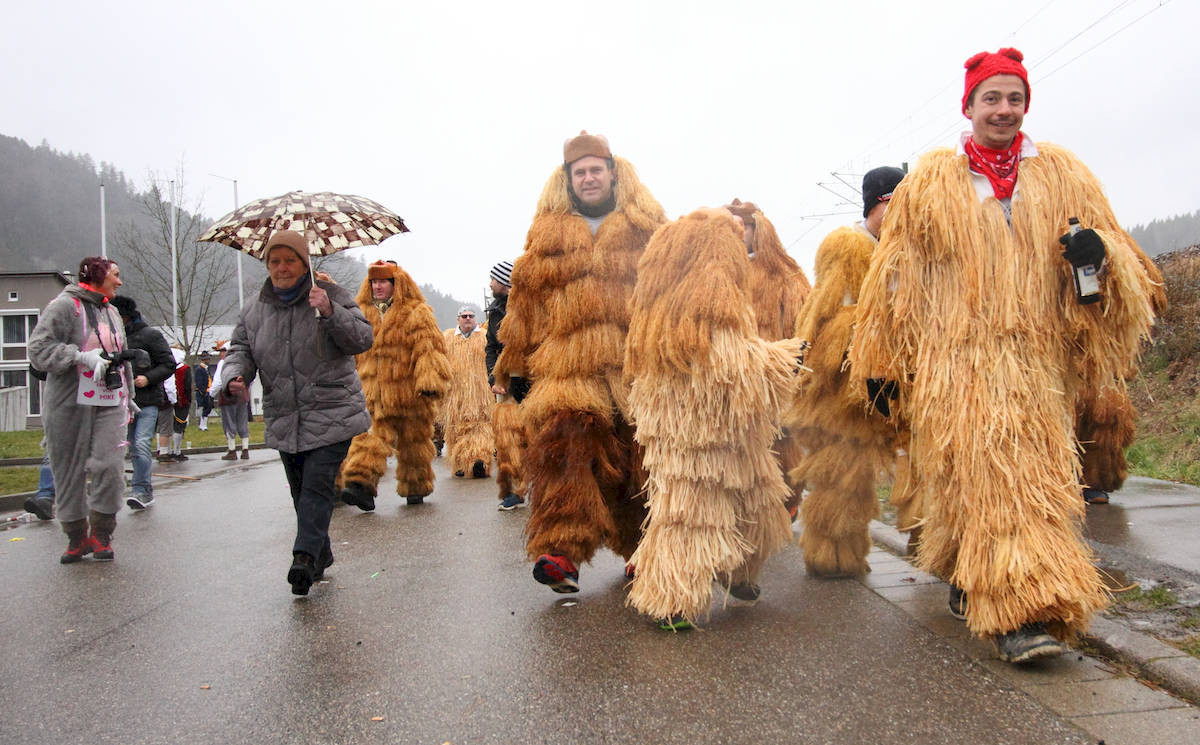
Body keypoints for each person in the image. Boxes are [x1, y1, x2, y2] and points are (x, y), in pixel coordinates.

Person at [849, 49, 1159, 663]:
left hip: (1040, 366)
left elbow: (1120, 259)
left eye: (1015, 99)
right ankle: (1021, 614)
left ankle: (979, 577)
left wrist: (1098, 258)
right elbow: (893, 282)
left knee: (1030, 483)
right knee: (992, 480)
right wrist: (883, 365)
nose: (1004, 110)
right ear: (968, 106)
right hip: (959, 364)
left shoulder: (1063, 174)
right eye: (991, 98)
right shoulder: (931, 184)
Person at [492, 131, 667, 593]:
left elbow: (671, 296)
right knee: (564, 444)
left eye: (595, 170)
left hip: (635, 369)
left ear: (613, 172)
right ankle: (561, 551)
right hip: (567, 369)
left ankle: (646, 551)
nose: (588, 178)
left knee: (640, 461)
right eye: (579, 172)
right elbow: (524, 307)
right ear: (568, 179)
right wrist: (516, 369)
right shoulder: (547, 236)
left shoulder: (648, 229)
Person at [625, 207, 804, 629]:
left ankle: (736, 573)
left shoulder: (662, 310)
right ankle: (671, 600)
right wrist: (786, 359)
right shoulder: (706, 303)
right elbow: (732, 367)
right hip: (701, 443)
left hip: (725, 434)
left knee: (754, 505)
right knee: (693, 517)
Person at [220, 230, 373, 596]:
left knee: (317, 486)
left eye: (290, 260)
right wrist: (234, 378)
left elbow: (362, 339)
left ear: (305, 264)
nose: (282, 268)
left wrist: (329, 311)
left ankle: (303, 558)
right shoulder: (253, 310)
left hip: (333, 410)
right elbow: (239, 351)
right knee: (301, 490)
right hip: (285, 413)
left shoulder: (331, 295)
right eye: (275, 261)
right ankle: (321, 554)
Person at [786, 166, 910, 577]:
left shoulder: (901, 249)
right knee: (842, 473)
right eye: (894, 204)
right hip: (845, 387)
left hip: (888, 377)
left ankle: (850, 553)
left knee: (863, 476)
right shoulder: (849, 246)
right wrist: (867, 365)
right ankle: (829, 556)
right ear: (877, 204)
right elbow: (835, 320)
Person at [28, 257, 136, 563]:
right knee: (67, 470)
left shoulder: (112, 312)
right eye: (115, 275)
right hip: (68, 403)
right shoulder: (64, 306)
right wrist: (79, 357)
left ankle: (102, 533)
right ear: (99, 276)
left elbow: (121, 356)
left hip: (110, 400)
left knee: (110, 465)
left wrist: (129, 394)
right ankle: (76, 537)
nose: (120, 281)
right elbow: (38, 349)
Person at [724, 198, 812, 524]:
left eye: (742, 226)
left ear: (756, 229)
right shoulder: (716, 274)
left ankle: (785, 504)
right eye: (729, 226)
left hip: (776, 382)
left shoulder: (785, 275)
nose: (737, 232)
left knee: (782, 448)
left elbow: (805, 327)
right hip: (731, 382)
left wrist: (792, 369)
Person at [338, 260, 451, 511]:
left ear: (395, 284)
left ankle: (416, 486)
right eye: (374, 282)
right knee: (370, 436)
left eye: (383, 282)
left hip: (411, 393)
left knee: (414, 444)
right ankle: (360, 484)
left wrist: (430, 380)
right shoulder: (360, 313)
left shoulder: (416, 311)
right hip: (374, 393)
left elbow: (429, 349)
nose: (377, 286)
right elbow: (350, 350)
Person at [109, 295, 174, 507]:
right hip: (122, 401)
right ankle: (140, 489)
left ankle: (141, 490)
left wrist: (148, 378)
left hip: (147, 401)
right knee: (130, 446)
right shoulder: (113, 337)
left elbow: (168, 364)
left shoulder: (151, 335)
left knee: (141, 443)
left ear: (125, 316)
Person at [485, 260, 530, 511]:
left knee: (536, 438)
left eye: (493, 279)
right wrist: (494, 379)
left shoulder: (530, 307)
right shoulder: (495, 312)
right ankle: (514, 490)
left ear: (505, 282)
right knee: (507, 439)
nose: (490, 284)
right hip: (506, 386)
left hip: (532, 382)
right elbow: (491, 347)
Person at [438, 306, 494, 479]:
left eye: (470, 316)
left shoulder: (484, 337)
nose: (467, 319)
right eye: (464, 316)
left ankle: (480, 460)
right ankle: (460, 463)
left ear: (475, 318)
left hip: (481, 394)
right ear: (458, 319)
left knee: (481, 427)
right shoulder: (447, 339)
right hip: (455, 395)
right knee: (456, 429)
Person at [209, 340, 251, 460]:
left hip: (227, 396)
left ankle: (232, 450)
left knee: (229, 423)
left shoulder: (223, 363)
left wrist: (211, 394)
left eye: (222, 351)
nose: (220, 354)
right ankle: (245, 449)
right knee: (243, 422)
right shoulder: (242, 362)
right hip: (242, 396)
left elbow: (218, 381)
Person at [161, 348, 193, 461]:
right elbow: (188, 387)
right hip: (181, 401)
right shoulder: (185, 369)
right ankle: (177, 451)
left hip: (166, 401)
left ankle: (166, 450)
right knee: (179, 426)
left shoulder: (164, 368)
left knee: (166, 426)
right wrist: (189, 400)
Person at [193, 351, 214, 431]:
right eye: (208, 359)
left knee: (207, 408)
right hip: (203, 392)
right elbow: (199, 382)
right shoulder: (199, 369)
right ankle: (202, 425)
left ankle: (203, 424)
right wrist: (203, 391)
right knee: (202, 408)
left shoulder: (206, 369)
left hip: (208, 390)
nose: (209, 360)